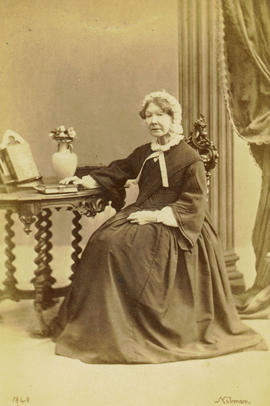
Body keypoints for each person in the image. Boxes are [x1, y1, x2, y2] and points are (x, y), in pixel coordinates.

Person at [50, 90, 267, 364]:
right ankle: (103, 321)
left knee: (119, 248)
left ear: (173, 117)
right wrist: (84, 180)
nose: (154, 121)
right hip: (143, 212)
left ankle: (135, 322)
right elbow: (119, 169)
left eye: (160, 114)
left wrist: (155, 217)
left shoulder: (189, 157)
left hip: (178, 222)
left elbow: (194, 200)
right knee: (103, 241)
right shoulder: (146, 152)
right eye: (149, 116)